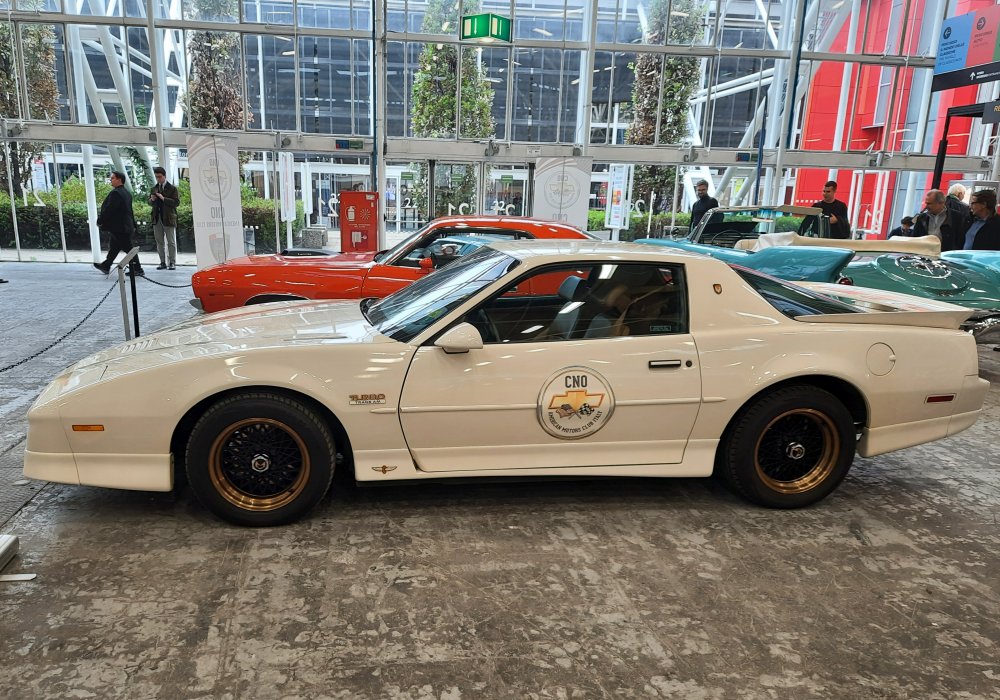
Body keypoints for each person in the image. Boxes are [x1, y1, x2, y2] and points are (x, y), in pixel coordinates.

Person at [94, 171, 144, 276]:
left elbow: (109, 209)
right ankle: (106, 265)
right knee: (114, 247)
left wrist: (100, 220)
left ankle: (138, 268)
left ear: (119, 179)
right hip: (124, 226)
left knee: (128, 248)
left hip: (120, 227)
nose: (110, 180)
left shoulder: (116, 193)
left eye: (112, 178)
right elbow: (129, 211)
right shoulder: (126, 193)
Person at [149, 166, 180, 270]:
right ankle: (162, 262)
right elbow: (149, 202)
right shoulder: (154, 188)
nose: (158, 179)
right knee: (159, 242)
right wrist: (152, 199)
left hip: (169, 218)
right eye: (156, 177)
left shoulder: (172, 188)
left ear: (164, 176)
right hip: (157, 218)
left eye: (159, 177)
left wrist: (163, 198)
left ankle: (172, 262)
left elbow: (176, 203)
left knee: (171, 241)